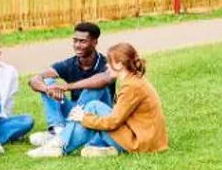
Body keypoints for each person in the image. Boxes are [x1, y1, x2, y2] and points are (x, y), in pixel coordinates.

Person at [28, 43, 169, 158]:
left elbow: (113, 122)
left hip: (141, 143)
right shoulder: (135, 80)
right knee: (92, 109)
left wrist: (84, 118)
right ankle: (100, 147)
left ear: (119, 65)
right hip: (149, 141)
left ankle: (58, 146)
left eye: (109, 62)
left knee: (93, 106)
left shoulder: (132, 86)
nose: (107, 66)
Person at [26, 22, 114, 145]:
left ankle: (66, 134)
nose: (77, 45)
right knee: (48, 82)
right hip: (74, 113)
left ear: (94, 42)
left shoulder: (106, 63)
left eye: (83, 41)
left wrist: (67, 87)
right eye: (75, 41)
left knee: (94, 86)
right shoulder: (69, 63)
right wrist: (48, 89)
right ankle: (57, 130)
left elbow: (105, 79)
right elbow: (34, 79)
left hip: (99, 114)